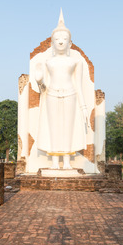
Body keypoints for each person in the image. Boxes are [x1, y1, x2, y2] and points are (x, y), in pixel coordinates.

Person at [35, 10, 90, 169]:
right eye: (57, 39)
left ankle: (66, 161)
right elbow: (43, 88)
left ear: (70, 43)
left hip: (70, 94)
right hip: (51, 94)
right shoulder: (47, 62)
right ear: (52, 43)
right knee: (53, 128)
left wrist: (84, 107)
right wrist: (39, 81)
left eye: (64, 39)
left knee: (68, 128)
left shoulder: (75, 62)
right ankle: (54, 162)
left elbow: (78, 85)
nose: (60, 42)